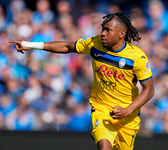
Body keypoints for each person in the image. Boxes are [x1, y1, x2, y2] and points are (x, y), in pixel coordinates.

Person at [9, 11, 154, 150]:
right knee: (105, 147)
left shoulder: (137, 58)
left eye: (108, 30)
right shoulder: (94, 44)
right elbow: (67, 46)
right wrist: (32, 45)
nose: (103, 33)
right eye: (102, 29)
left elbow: (149, 90)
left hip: (127, 115)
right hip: (101, 108)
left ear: (122, 34)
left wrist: (127, 110)